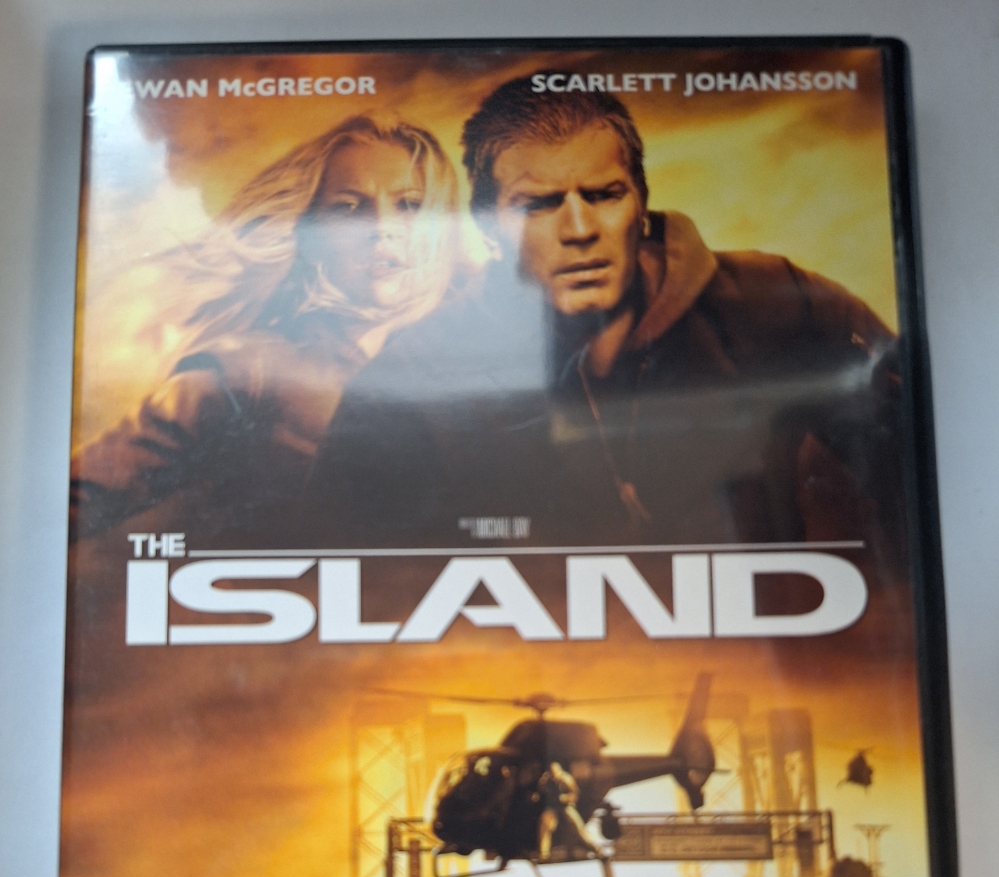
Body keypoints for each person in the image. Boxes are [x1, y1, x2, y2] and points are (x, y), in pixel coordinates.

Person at [310, 78, 904, 570]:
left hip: (766, 645)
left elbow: (920, 479)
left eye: (603, 194)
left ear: (641, 203)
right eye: (537, 205)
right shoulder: (411, 377)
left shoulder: (781, 303)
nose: (579, 229)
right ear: (487, 226)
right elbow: (340, 577)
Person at [70, 115, 468, 545]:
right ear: (307, 234)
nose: (381, 227)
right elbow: (67, 505)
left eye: (410, 205)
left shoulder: (471, 364)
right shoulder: (244, 370)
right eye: (347, 208)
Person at [537, 761, 604, 861]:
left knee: (578, 827)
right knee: (544, 825)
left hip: (566, 807)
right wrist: (542, 784)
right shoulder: (546, 780)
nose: (554, 775)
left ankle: (596, 849)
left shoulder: (567, 779)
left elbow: (575, 795)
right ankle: (544, 855)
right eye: (551, 773)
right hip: (552, 807)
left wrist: (565, 798)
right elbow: (542, 792)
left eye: (555, 773)